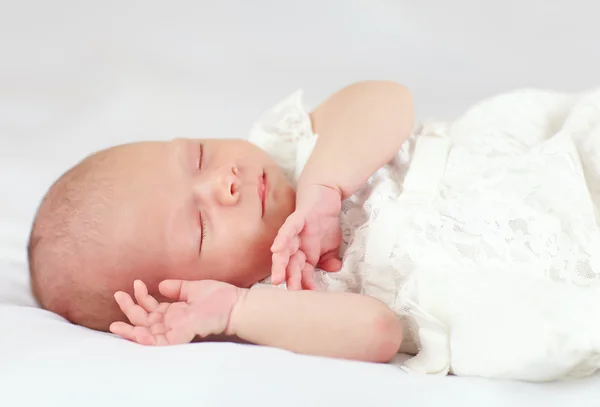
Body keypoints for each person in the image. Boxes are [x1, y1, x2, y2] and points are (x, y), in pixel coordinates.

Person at [28, 81, 600, 381]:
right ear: (189, 291)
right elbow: (376, 331)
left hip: (529, 164)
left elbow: (387, 99)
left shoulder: (295, 148)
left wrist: (324, 187)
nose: (223, 184)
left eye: (198, 157)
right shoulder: (276, 302)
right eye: (201, 226)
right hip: (533, 264)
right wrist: (234, 313)